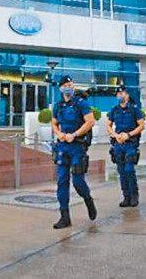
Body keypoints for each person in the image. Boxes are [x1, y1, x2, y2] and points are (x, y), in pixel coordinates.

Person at [50, 75, 97, 229]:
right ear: (60, 88)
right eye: (65, 85)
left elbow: (90, 122)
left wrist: (74, 135)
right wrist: (59, 134)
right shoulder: (58, 106)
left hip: (77, 146)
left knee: (78, 181)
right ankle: (64, 216)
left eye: (70, 84)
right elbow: (54, 123)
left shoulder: (81, 103)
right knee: (62, 182)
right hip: (63, 146)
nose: (68, 87)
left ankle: (88, 199)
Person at [106, 85, 146, 207]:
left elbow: (141, 126)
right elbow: (108, 125)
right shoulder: (114, 110)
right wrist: (116, 135)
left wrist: (128, 135)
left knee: (129, 169)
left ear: (127, 95)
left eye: (123, 93)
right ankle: (126, 196)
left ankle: (134, 195)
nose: (120, 95)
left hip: (130, 143)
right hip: (118, 144)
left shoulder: (134, 109)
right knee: (121, 171)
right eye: (118, 94)